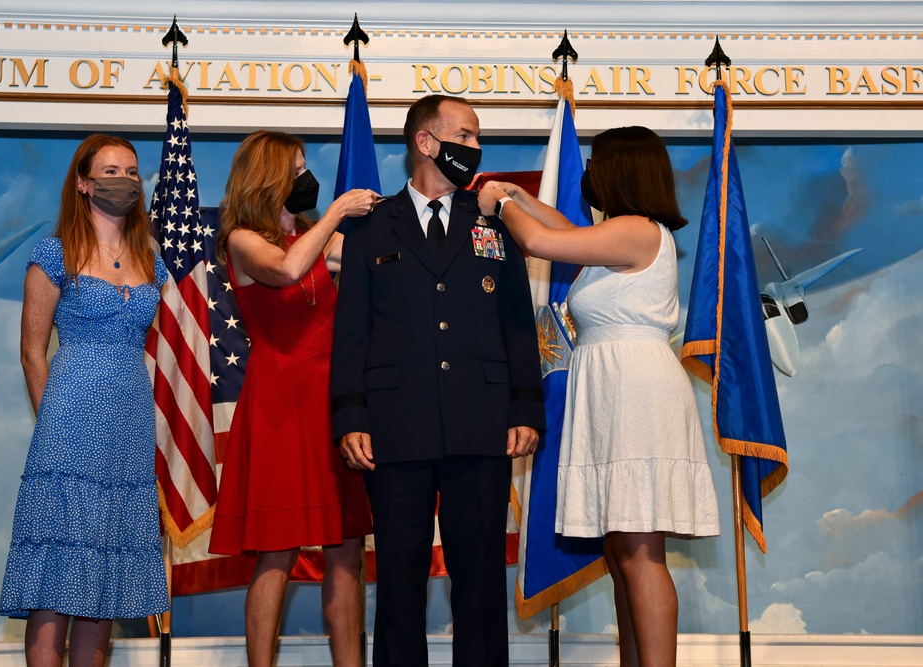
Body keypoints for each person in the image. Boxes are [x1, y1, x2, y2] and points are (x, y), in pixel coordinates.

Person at [477, 125, 720, 667]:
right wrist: (520, 196)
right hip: (613, 388)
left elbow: (540, 241)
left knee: (638, 551)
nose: (588, 175)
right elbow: (561, 227)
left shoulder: (636, 230)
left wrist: (498, 203)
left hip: (634, 391)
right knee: (620, 551)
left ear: (620, 170)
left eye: (596, 163)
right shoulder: (618, 237)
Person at [331, 94, 546, 667]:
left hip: (482, 423)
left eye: (477, 138)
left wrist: (526, 406)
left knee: (478, 574)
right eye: (467, 136)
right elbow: (351, 330)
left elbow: (518, 323)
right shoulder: (371, 227)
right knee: (399, 577)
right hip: (395, 424)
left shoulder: (493, 220)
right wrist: (351, 415)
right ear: (427, 142)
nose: (476, 148)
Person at [207, 130, 379, 667]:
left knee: (347, 548)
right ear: (270, 175)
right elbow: (286, 269)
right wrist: (337, 213)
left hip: (335, 402)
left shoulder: (312, 236)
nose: (307, 177)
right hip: (280, 403)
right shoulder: (242, 239)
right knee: (277, 550)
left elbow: (378, 261)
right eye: (297, 167)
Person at [0, 134, 169, 667]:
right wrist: (55, 428)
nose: (125, 179)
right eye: (111, 170)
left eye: (132, 171)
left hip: (129, 429)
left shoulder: (151, 259)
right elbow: (31, 353)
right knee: (54, 591)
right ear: (83, 182)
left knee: (104, 593)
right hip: (68, 428)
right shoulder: (54, 254)